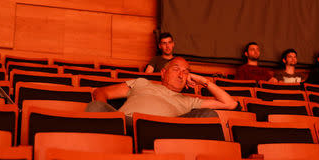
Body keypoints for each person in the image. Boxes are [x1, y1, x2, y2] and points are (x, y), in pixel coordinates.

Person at [87, 57, 238, 126]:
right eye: (176, 69)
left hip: (164, 129)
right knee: (95, 107)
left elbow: (230, 104)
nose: (181, 74)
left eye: (186, 72)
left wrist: (202, 80)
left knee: (209, 115)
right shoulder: (141, 83)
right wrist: (111, 121)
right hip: (127, 122)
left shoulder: (189, 100)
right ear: (163, 73)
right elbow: (101, 92)